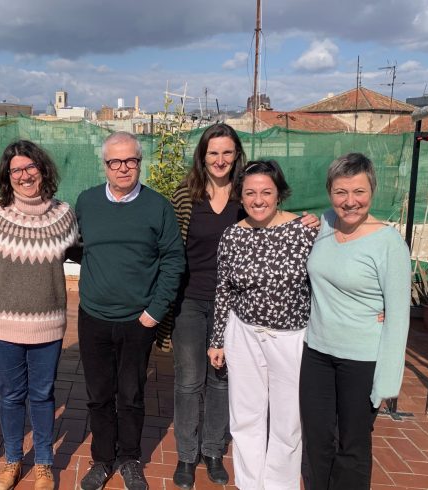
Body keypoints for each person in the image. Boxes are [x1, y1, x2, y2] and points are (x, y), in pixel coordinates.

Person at [75, 131, 185, 490]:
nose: (123, 168)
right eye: (115, 162)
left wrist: (153, 312)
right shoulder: (87, 202)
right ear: (104, 165)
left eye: (131, 161)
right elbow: (76, 248)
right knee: (99, 395)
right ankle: (103, 459)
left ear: (140, 162)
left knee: (132, 395)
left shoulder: (157, 206)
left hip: (138, 320)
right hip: (93, 316)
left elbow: (173, 260)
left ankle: (130, 458)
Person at [299, 153, 411, 490]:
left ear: (372, 191)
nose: (350, 202)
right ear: (330, 193)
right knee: (317, 441)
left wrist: (388, 382)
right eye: (340, 192)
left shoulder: (389, 243)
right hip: (317, 352)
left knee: (353, 447)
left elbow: (399, 317)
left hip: (362, 359)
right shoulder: (324, 224)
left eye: (358, 192)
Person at [208, 160, 318, 490]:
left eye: (266, 192)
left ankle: (279, 485)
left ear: (279, 194)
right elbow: (223, 288)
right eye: (250, 193)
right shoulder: (231, 235)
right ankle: (249, 484)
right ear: (240, 196)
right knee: (245, 417)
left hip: (291, 338)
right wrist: (217, 340)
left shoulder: (305, 231)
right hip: (243, 335)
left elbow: (327, 278)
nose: (258, 200)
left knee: (287, 421)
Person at [0, 140, 79, 490]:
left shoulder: (65, 215)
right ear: (8, 176)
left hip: (47, 325)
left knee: (42, 394)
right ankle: (11, 460)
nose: (24, 175)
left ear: (42, 169)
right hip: (1, 324)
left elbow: (90, 255)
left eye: (30, 167)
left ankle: (43, 462)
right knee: (9, 394)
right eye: (16, 170)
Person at [165, 123, 246, 487]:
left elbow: (274, 226)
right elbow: (169, 250)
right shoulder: (186, 196)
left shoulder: (247, 196)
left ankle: (213, 450)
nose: (220, 159)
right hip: (191, 301)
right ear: (202, 156)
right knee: (188, 382)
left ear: (236, 155)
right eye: (213, 152)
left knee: (221, 380)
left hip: (233, 304)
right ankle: (186, 455)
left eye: (227, 152)